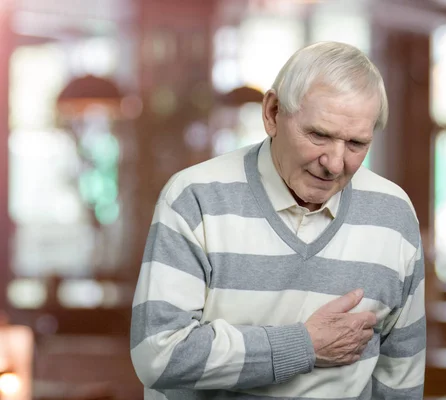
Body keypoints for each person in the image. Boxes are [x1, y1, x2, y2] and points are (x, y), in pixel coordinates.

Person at [130, 41, 425, 400]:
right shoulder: (196, 197)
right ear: (272, 113)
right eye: (319, 135)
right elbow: (158, 354)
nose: (334, 163)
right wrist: (304, 345)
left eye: (356, 144)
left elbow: (400, 377)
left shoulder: (393, 213)